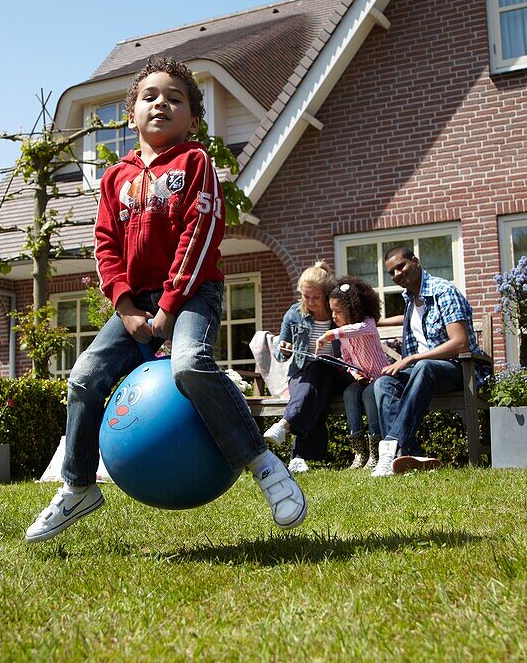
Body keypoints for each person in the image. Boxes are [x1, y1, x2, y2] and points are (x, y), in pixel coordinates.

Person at [25, 58, 306, 542]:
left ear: (193, 119)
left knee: (190, 366)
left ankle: (263, 464)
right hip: (135, 303)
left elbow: (200, 234)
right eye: (149, 96)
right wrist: (127, 307)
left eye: (175, 98)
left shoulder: (194, 163)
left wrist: (168, 307)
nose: (162, 104)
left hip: (193, 293)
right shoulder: (114, 179)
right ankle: (76, 487)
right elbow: (105, 246)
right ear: (131, 113)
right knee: (84, 377)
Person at [371, 246, 488, 477]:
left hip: (459, 370)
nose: (396, 275)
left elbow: (460, 343)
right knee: (384, 383)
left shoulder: (444, 291)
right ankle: (409, 455)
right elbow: (409, 318)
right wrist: (374, 322)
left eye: (400, 267)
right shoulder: (411, 299)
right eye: (391, 272)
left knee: (423, 366)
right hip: (423, 374)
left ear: (415, 261)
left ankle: (389, 448)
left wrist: (413, 358)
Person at [262, 261, 351, 473]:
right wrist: (284, 349)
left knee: (319, 369)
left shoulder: (338, 312)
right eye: (305, 296)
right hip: (303, 375)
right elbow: (279, 354)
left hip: (337, 374)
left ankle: (286, 426)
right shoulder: (293, 314)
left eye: (316, 297)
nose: (310, 301)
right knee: (313, 387)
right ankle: (299, 458)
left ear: (327, 293)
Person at [314, 276, 393, 470]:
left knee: (367, 394)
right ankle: (359, 451)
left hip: (381, 379)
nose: (334, 316)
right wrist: (356, 375)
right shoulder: (343, 334)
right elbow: (348, 360)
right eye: (332, 311)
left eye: (338, 311)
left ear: (352, 309)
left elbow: (358, 329)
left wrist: (329, 335)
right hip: (365, 379)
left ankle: (376, 450)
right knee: (349, 392)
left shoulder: (367, 323)